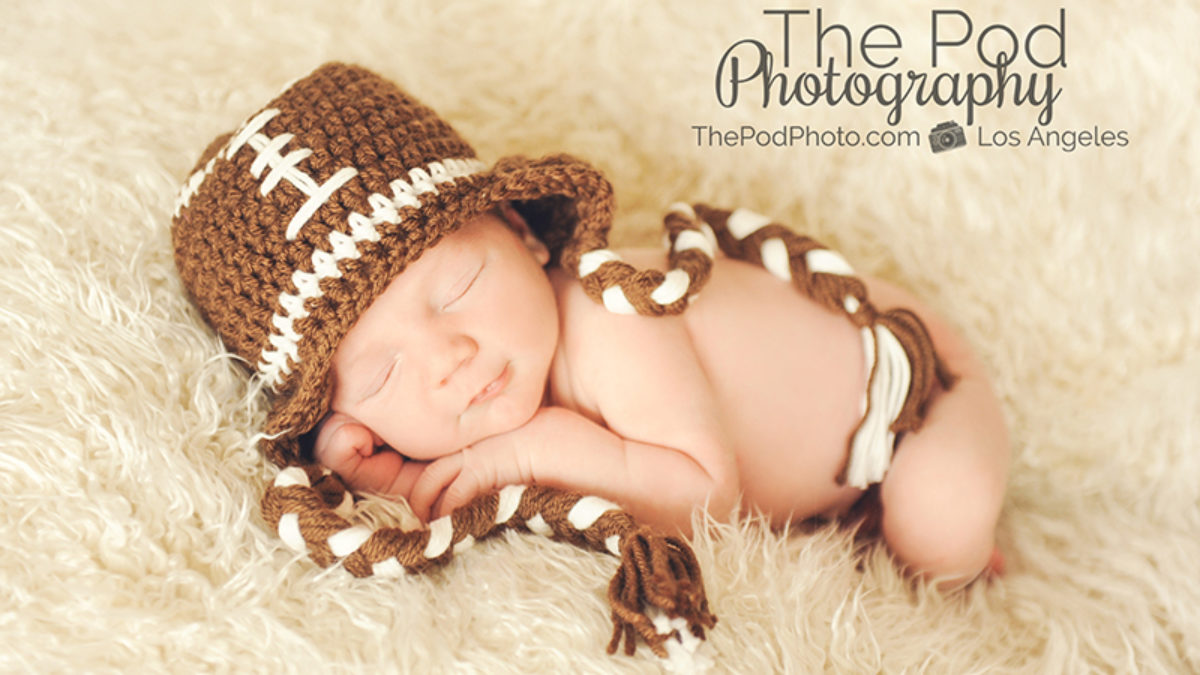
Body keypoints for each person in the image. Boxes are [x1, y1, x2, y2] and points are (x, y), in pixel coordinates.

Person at [173, 62, 1008, 592]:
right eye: (383, 374)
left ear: (520, 229)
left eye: (458, 285)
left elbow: (700, 489)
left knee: (937, 529)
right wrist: (389, 477)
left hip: (912, 394)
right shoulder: (495, 372)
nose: (449, 360)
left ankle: (959, 543)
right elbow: (449, 477)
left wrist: (516, 451)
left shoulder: (609, 312)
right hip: (846, 454)